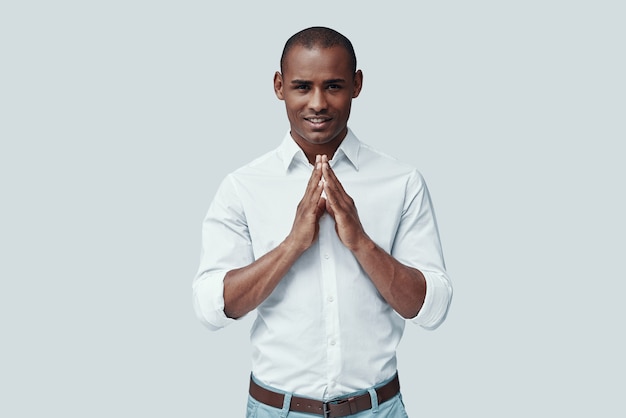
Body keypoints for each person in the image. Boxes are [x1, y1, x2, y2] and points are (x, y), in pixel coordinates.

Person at [193, 26, 453, 418]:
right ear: (279, 86)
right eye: (302, 87)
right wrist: (292, 245)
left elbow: (431, 310)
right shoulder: (243, 186)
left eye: (333, 86)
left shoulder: (401, 182)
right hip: (274, 410)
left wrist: (361, 242)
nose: (318, 103)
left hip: (378, 409)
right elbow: (211, 309)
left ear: (357, 85)